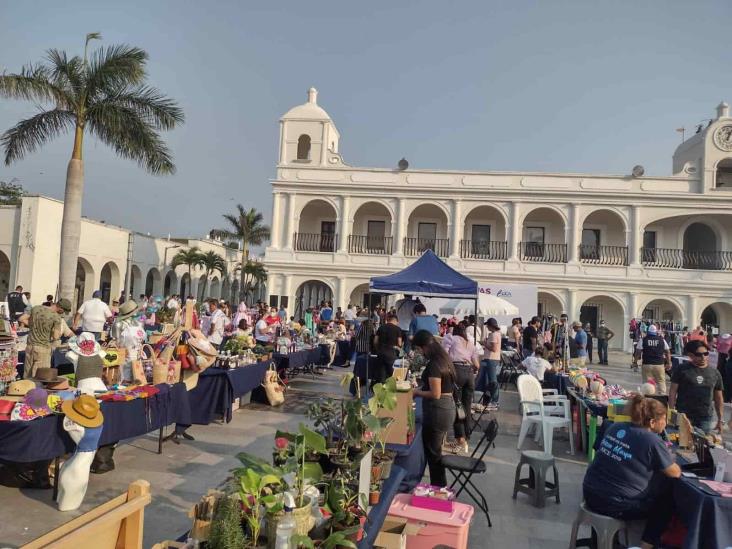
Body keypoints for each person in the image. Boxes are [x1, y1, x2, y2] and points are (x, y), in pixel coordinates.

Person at [583, 395, 681, 549]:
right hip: (616, 504)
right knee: (666, 499)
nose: (666, 424)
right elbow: (675, 473)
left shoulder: (615, 427)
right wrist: (670, 459)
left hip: (589, 493)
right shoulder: (652, 441)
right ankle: (645, 545)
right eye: (664, 420)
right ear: (652, 422)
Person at [411, 330, 456, 487]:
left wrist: (417, 392)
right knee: (434, 451)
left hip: (438, 410)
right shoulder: (444, 360)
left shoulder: (434, 365)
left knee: (433, 453)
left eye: (418, 349)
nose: (419, 353)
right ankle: (438, 488)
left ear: (425, 347)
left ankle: (439, 489)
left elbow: (435, 393)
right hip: (447, 408)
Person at [669, 340, 725, 433]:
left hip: (705, 418)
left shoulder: (715, 373)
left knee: (702, 445)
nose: (703, 357)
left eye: (706, 353)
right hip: (684, 415)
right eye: (699, 354)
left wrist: (720, 419)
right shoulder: (682, 369)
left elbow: (718, 398)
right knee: (683, 444)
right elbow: (672, 392)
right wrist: (671, 413)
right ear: (690, 355)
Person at [445, 324, 480, 454]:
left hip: (457, 371)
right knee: (466, 406)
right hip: (469, 373)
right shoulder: (471, 344)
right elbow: (477, 365)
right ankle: (466, 436)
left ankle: (461, 439)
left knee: (458, 406)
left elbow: (445, 355)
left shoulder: (451, 338)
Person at [20, 299, 72, 378]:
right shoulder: (56, 317)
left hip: (30, 346)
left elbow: (21, 319)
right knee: (40, 377)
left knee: (27, 375)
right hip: (43, 348)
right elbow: (56, 336)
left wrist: (33, 326)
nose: (63, 313)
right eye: (64, 311)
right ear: (61, 309)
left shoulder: (35, 308)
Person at [110, 300, 146, 382]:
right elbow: (116, 341)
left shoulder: (138, 323)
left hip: (138, 353)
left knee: (137, 377)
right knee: (125, 377)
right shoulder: (119, 324)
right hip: (125, 354)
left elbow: (142, 338)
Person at [634, 324, 671, 395]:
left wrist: (635, 362)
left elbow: (638, 351)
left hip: (647, 364)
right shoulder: (662, 340)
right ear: (656, 332)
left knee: (648, 382)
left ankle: (648, 397)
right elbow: (667, 351)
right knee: (661, 381)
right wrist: (669, 362)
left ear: (648, 331)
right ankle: (662, 397)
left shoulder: (643, 340)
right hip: (659, 364)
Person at [477, 317, 502, 410]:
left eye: (487, 325)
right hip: (492, 359)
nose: (487, 327)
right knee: (491, 381)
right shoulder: (497, 334)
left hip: (491, 359)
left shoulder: (494, 335)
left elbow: (494, 348)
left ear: (491, 326)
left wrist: (484, 343)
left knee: (493, 381)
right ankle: (492, 400)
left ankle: (495, 401)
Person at [373, 313, 402, 386]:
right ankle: (390, 392)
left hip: (381, 352)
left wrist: (378, 349)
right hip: (391, 353)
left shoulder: (381, 327)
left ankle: (381, 393)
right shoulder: (398, 329)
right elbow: (399, 343)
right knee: (392, 375)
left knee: (381, 376)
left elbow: (375, 341)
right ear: (396, 321)